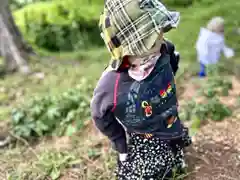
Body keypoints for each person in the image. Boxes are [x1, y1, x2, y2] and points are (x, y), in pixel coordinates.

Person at [90, 0, 191, 179]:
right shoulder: (111, 85)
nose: (161, 42)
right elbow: (99, 113)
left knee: (176, 141)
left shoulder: (165, 50)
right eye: (152, 41)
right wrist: (120, 143)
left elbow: (171, 65)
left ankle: (176, 159)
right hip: (145, 135)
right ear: (128, 48)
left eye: (161, 34)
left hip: (169, 117)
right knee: (147, 171)